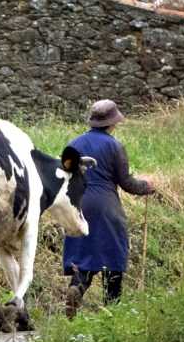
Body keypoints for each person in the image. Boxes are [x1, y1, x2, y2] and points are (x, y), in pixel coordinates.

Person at [62, 99, 155, 319]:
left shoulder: (72, 144)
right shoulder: (115, 146)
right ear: (112, 123)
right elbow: (127, 183)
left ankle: (77, 287)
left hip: (77, 205)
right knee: (111, 258)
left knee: (83, 254)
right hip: (106, 206)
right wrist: (147, 185)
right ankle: (111, 313)